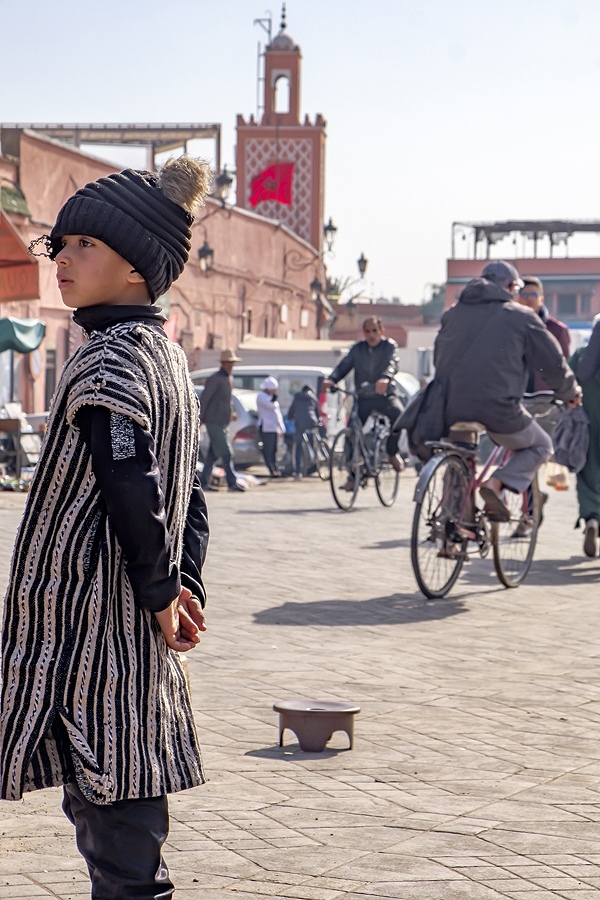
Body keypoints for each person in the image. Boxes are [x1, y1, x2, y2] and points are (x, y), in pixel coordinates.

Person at [1, 158, 211, 899]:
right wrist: (186, 580)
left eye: (84, 245)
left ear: (135, 268)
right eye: (58, 245)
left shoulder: (112, 361)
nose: (61, 259)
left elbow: (134, 486)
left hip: (99, 628)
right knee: (113, 794)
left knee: (116, 817)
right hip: (128, 628)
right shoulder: (169, 359)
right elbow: (193, 491)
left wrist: (161, 592)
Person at [434, 260, 580, 520]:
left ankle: (450, 530)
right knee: (541, 446)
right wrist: (570, 393)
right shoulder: (521, 316)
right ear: (512, 287)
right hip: (499, 409)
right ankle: (496, 483)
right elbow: (553, 364)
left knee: (459, 454)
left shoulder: (452, 313)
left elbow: (439, 358)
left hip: (449, 407)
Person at [322, 316, 404, 479]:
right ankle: (352, 476)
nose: (371, 335)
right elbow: (344, 365)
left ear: (381, 331)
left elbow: (392, 363)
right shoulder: (357, 349)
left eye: (374, 331)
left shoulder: (389, 346)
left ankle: (392, 452)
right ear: (363, 333)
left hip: (385, 396)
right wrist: (332, 379)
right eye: (367, 331)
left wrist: (386, 378)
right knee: (352, 432)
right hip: (364, 397)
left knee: (400, 416)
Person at [569, 315, 600, 555]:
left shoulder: (580, 356)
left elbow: (565, 383)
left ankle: (592, 518)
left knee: (587, 474)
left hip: (587, 427)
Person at [199, 348, 245, 493]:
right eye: (228, 362)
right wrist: (200, 418)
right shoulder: (215, 378)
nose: (230, 365)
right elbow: (205, 399)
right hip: (213, 420)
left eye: (232, 363)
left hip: (223, 421)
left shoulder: (228, 378)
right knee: (226, 451)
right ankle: (232, 482)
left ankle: (204, 482)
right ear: (223, 363)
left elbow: (227, 400)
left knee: (212, 455)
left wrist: (231, 414)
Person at [287, 384, 321, 480]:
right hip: (312, 421)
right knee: (314, 434)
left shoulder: (297, 397)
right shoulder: (313, 397)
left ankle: (298, 473)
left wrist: (290, 418)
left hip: (299, 422)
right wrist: (318, 420)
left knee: (298, 446)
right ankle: (316, 452)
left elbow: (291, 410)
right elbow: (317, 411)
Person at [257, 376, 285, 476]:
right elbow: (270, 406)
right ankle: (271, 469)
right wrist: (273, 400)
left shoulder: (270, 397)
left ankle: (275, 468)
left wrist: (281, 427)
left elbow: (277, 413)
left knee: (274, 450)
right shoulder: (261, 396)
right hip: (266, 427)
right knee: (268, 450)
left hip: (274, 428)